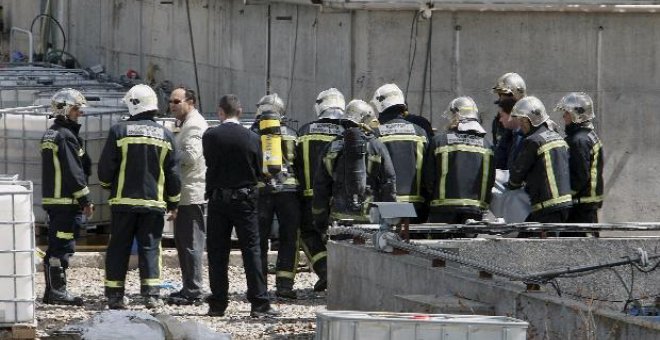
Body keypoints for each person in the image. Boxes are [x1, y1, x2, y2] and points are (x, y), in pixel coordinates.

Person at [99, 84, 181, 309]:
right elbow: (173, 173)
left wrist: (109, 186)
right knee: (151, 248)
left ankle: (115, 295)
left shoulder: (118, 131)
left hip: (123, 203)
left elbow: (106, 168)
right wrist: (173, 202)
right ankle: (152, 295)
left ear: (134, 105)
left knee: (118, 248)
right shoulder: (165, 135)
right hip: (153, 204)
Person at [202, 94, 279, 318]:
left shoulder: (210, 135)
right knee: (252, 251)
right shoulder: (253, 138)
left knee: (217, 253)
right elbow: (260, 170)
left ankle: (217, 304)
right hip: (245, 200)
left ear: (220, 112)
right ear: (240, 110)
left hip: (218, 200)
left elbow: (209, 161)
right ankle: (259, 304)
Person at [40, 88, 94, 306]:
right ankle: (57, 292)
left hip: (56, 201)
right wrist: (85, 200)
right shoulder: (65, 136)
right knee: (61, 246)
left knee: (57, 243)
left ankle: (52, 291)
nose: (78, 114)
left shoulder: (53, 133)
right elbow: (74, 172)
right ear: (64, 109)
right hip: (65, 201)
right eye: (75, 109)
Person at [312, 102, 397, 226]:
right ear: (365, 120)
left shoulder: (331, 147)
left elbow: (321, 186)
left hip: (338, 220)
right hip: (370, 220)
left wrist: (320, 218)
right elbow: (389, 182)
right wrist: (391, 218)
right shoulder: (376, 146)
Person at [295, 88, 346, 292]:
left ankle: (325, 270)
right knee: (342, 236)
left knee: (308, 233)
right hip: (340, 199)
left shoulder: (305, 132)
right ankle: (343, 275)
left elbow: (295, 163)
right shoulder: (347, 131)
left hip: (309, 196)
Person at [253, 93, 302, 299]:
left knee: (259, 240)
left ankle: (260, 285)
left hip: (262, 192)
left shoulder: (253, 133)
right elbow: (298, 163)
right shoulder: (291, 133)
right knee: (289, 238)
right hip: (289, 192)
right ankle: (284, 285)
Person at [423, 97, 495, 231]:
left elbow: (429, 178)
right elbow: (490, 179)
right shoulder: (487, 145)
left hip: (443, 209)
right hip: (475, 211)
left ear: (456, 115)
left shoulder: (439, 141)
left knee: (441, 249)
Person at [166, 87, 209, 305]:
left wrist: (167, 152)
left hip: (191, 194)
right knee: (183, 243)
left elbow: (191, 156)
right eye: (170, 101)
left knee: (191, 243)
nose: (172, 105)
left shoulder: (194, 125)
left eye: (176, 101)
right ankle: (188, 287)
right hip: (185, 193)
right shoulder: (186, 124)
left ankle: (193, 290)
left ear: (190, 102)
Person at [507, 96, 572, 227]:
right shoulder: (557, 137)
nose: (520, 125)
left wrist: (512, 184)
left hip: (546, 207)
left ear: (528, 120)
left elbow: (516, 175)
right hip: (564, 204)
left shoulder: (533, 141)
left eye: (521, 120)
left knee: (533, 244)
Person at [371, 83, 429, 223]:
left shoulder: (376, 134)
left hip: (387, 204)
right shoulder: (420, 132)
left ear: (380, 106)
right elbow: (429, 172)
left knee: (388, 243)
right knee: (415, 244)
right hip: (416, 205)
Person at [556, 92, 604, 232]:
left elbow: (580, 175)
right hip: (587, 206)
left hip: (581, 208)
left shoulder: (579, 141)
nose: (563, 117)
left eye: (566, 113)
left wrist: (564, 196)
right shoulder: (588, 136)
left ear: (577, 115)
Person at [492, 72, 526, 169]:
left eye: (505, 94)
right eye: (500, 94)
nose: (501, 98)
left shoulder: (531, 120)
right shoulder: (498, 121)